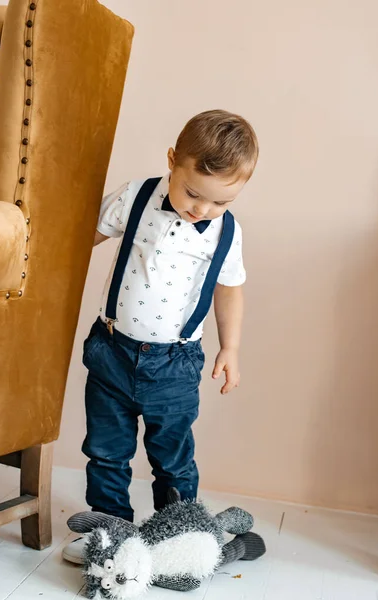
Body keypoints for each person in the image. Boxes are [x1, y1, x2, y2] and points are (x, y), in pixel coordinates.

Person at [63, 109, 258, 564]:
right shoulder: (135, 197)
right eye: (193, 193)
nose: (201, 210)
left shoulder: (225, 234)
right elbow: (75, 239)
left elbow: (229, 291)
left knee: (171, 458)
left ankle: (178, 538)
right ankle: (111, 532)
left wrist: (230, 348)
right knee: (106, 451)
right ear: (172, 160)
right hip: (112, 349)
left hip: (175, 364)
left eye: (218, 203)